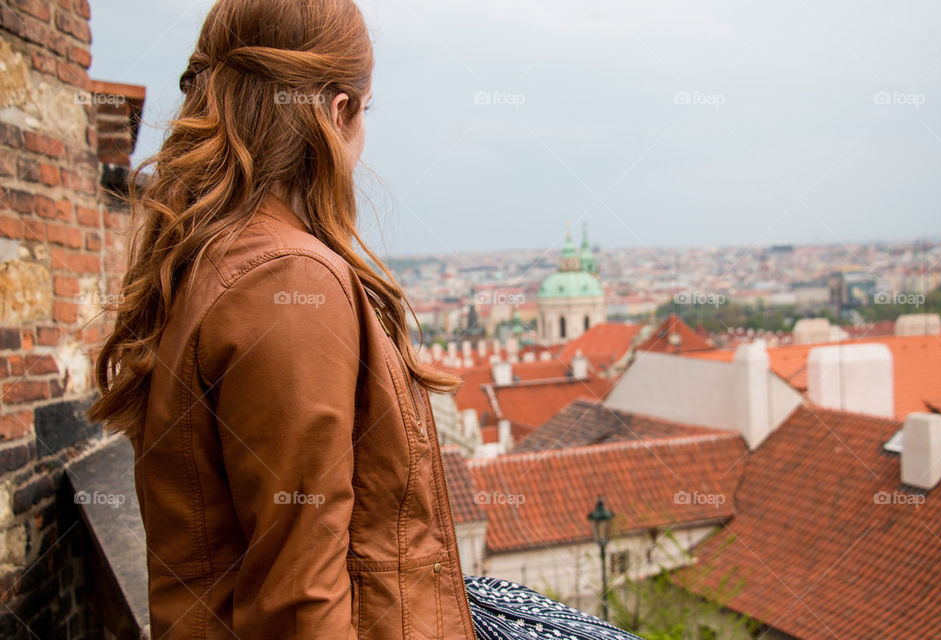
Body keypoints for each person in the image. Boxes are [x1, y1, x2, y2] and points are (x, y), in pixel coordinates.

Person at [89, 0, 641, 638]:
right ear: (339, 110)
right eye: (366, 108)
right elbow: (300, 604)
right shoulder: (288, 278)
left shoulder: (216, 253)